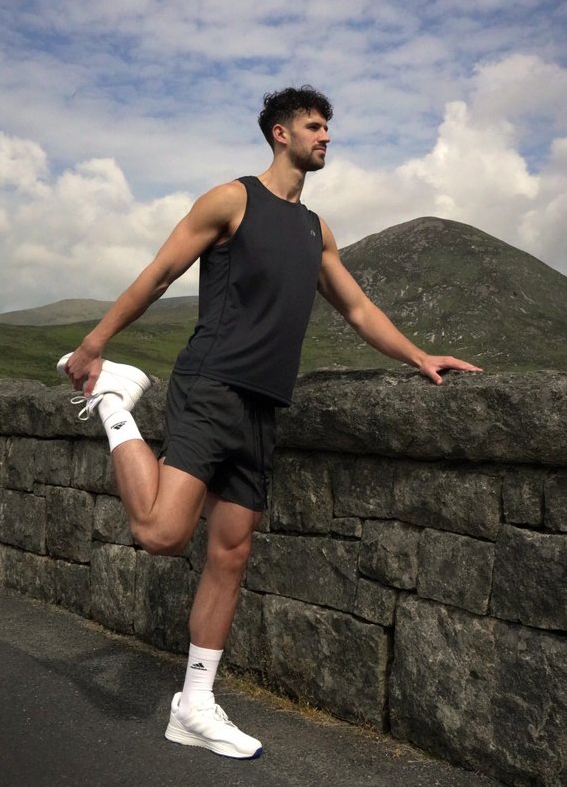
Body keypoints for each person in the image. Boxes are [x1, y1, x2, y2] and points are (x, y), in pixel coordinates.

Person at [58, 85, 481, 760]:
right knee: (163, 534)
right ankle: (114, 404)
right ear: (280, 133)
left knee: (230, 553)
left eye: (328, 127)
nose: (326, 136)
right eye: (315, 125)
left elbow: (358, 309)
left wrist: (418, 356)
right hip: (211, 385)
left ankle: (194, 706)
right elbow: (160, 273)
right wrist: (95, 343)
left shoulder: (317, 230)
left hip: (263, 405)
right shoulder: (232, 200)